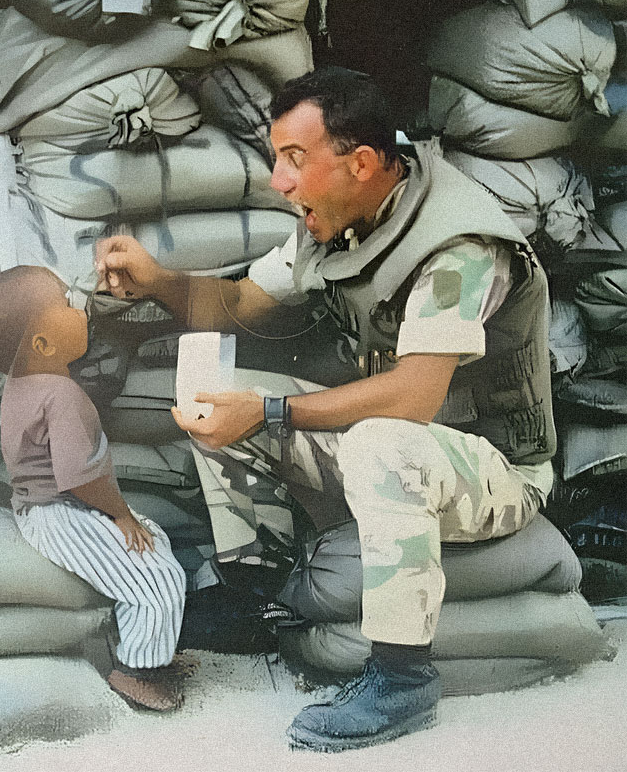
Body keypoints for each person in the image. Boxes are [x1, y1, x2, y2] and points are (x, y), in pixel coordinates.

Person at [95, 66, 556, 751]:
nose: (278, 180)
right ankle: (255, 594)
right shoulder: (334, 218)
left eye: (293, 159)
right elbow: (238, 305)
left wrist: (272, 411)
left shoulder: (459, 247)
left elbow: (413, 396)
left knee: (377, 440)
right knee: (216, 399)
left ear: (361, 163)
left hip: (494, 468)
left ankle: (402, 678)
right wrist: (157, 279)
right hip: (410, 445)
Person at [0, 265, 190, 711]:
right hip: (59, 513)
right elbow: (81, 477)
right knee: (161, 577)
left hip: (47, 508)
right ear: (43, 344)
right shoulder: (61, 395)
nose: (81, 307)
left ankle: (145, 645)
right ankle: (136, 672)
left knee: (156, 541)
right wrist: (121, 516)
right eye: (67, 304)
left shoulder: (25, 382)